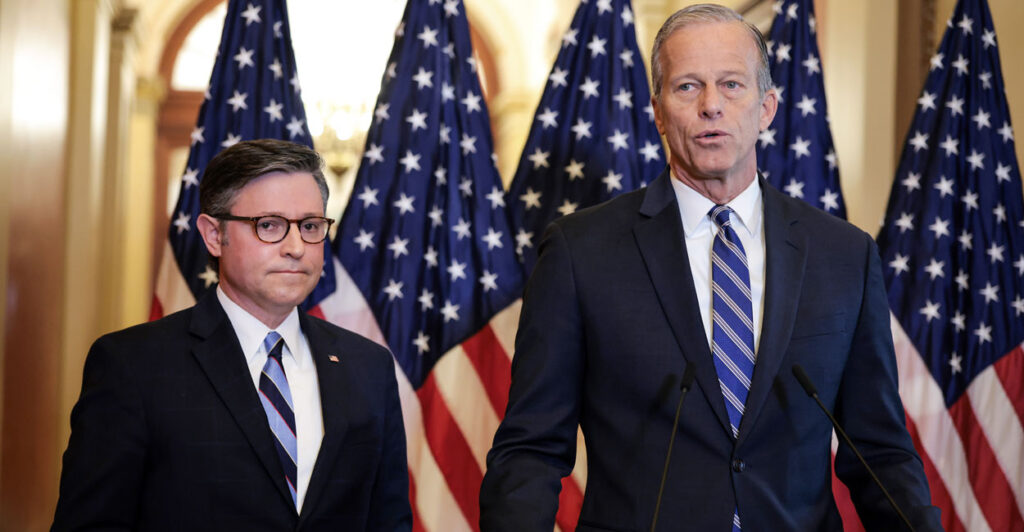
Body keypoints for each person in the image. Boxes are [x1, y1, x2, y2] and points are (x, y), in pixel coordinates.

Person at [480, 4, 941, 531]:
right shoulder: (580, 253)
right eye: (687, 87)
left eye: (731, 85)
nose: (710, 106)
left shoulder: (844, 257)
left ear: (766, 107)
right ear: (657, 110)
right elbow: (531, 451)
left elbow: (879, 452)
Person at [53, 139, 411, 531]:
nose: (295, 247)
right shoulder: (133, 366)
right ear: (212, 234)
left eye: (310, 226)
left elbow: (388, 521)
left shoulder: (368, 366)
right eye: (269, 225)